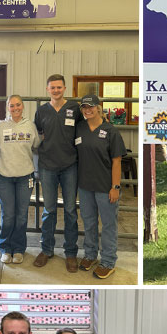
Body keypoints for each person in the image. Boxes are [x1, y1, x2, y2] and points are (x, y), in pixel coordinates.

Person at [33, 74, 81, 272]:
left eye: (59, 87)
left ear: (64, 88)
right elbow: (38, 134)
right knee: (49, 210)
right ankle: (47, 249)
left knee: (70, 210)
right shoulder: (41, 111)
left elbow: (83, 131)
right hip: (47, 166)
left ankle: (70, 253)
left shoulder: (75, 108)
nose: (56, 90)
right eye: (52, 88)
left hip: (70, 164)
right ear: (47, 89)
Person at [74, 94, 125, 279]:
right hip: (86, 185)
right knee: (89, 222)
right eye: (84, 108)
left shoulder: (110, 131)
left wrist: (115, 187)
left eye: (91, 107)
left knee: (109, 224)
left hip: (105, 187)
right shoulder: (79, 128)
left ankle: (108, 261)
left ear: (98, 107)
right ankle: (90, 255)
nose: (88, 110)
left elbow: (117, 161)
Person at [0, 95, 40, 264]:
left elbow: (36, 147)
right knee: (8, 215)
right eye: (11, 105)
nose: (15, 108)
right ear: (8, 107)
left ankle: (19, 248)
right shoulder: (0, 126)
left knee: (21, 215)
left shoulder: (30, 125)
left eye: (18, 105)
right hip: (4, 177)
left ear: (23, 106)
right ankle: (6, 248)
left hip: (25, 176)